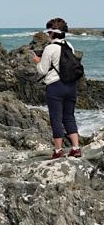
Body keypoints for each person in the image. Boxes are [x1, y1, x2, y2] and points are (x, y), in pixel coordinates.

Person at [32, 17, 81, 159]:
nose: (48, 35)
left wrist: (37, 61)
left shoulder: (50, 48)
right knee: (69, 117)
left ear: (52, 33)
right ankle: (76, 148)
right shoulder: (69, 46)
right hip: (71, 86)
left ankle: (58, 151)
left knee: (56, 118)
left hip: (55, 87)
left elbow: (42, 70)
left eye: (48, 32)